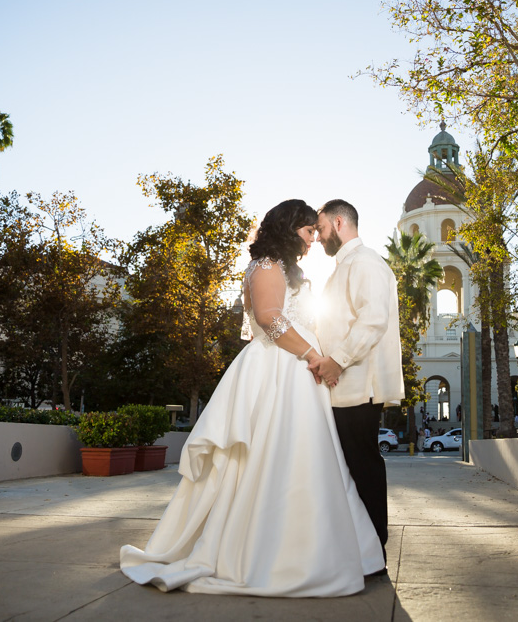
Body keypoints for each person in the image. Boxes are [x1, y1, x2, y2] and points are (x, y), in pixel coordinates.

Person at [120, 200, 384, 596]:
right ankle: (263, 553)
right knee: (269, 454)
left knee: (303, 458)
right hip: (278, 370)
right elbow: (269, 318)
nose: (313, 240)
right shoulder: (265, 266)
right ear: (289, 227)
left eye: (316, 231)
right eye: (308, 231)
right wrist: (313, 354)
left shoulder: (282, 267)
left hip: (293, 371)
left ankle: (320, 548)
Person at [308, 199, 404, 570]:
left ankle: (373, 552)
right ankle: (356, 548)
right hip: (341, 386)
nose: (317, 238)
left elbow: (374, 319)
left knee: (362, 466)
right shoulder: (343, 266)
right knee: (348, 467)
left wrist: (335, 360)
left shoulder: (365, 262)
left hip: (358, 385)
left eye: (320, 229)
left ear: (339, 221)